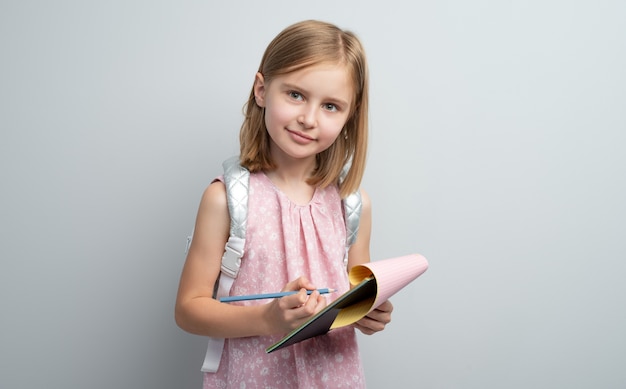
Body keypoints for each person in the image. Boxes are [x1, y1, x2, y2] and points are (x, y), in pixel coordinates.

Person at [175, 19, 393, 388]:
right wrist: (267, 320)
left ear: (349, 115)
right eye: (295, 95)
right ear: (262, 89)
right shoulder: (226, 200)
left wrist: (368, 314)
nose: (308, 119)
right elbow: (188, 310)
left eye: (330, 106)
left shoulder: (353, 204)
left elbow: (355, 299)